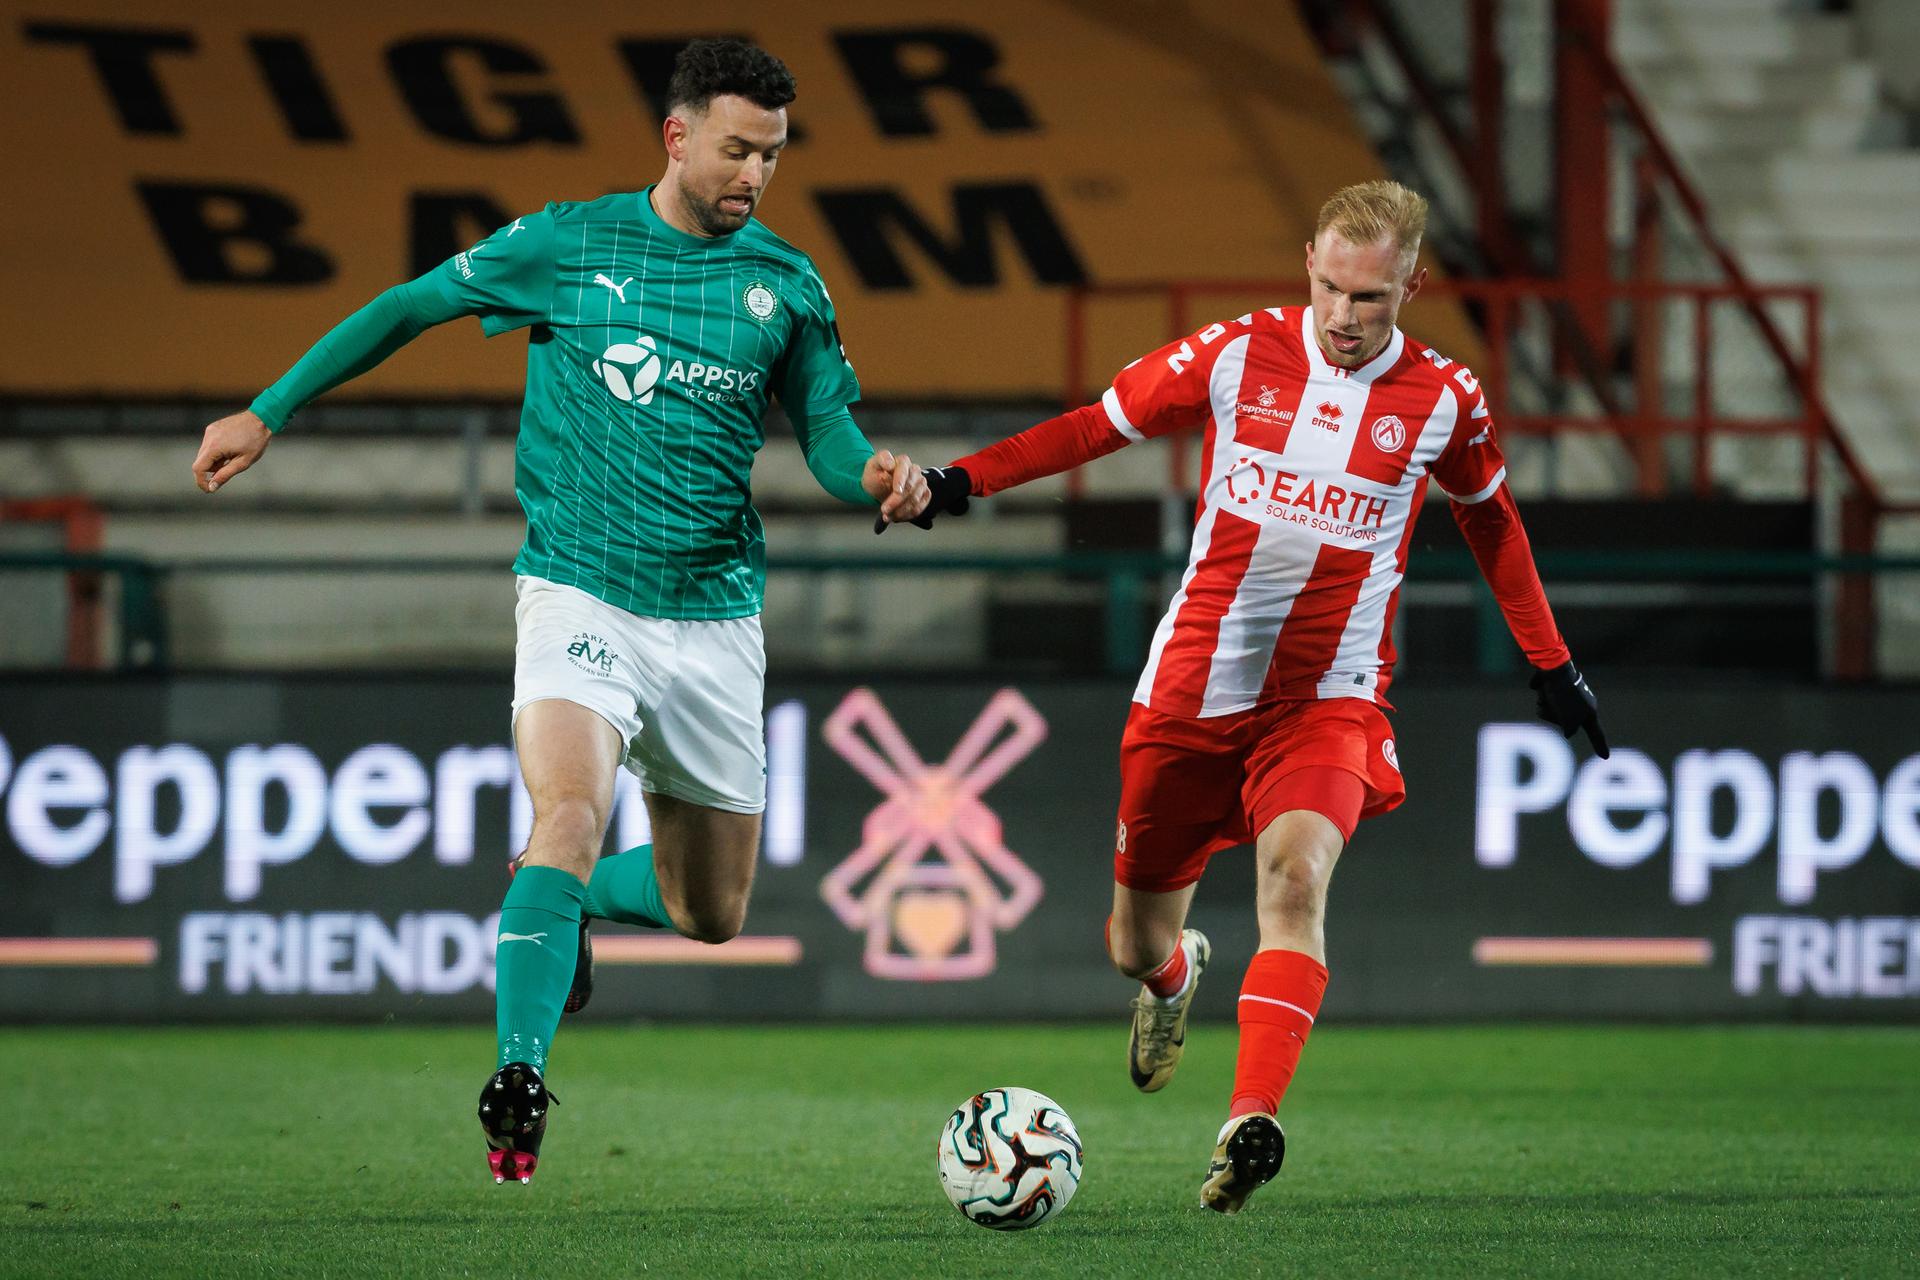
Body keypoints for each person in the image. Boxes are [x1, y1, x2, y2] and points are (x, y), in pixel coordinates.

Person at [190, 38, 932, 1185]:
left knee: (711, 908)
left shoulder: (786, 284)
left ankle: (570, 907)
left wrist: (871, 474)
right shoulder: (569, 243)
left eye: (773, 155)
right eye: (737, 149)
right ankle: (520, 1072)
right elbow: (412, 305)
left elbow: (827, 433)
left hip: (714, 616)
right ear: (677, 136)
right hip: (579, 587)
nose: (754, 174)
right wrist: (268, 409)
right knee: (570, 812)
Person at [905, 180, 1608, 1213]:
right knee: (1134, 943)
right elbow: (1097, 426)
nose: (1344, 315)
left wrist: (1552, 662)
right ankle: (1170, 981)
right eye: (1331, 288)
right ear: (1309, 267)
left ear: (1412, 286)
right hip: (1192, 689)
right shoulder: (1236, 354)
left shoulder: (1445, 399)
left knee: (1295, 878)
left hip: (1329, 698)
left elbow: (1492, 523)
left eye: (1370, 297)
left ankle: (1249, 1121)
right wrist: (959, 481)